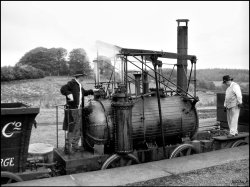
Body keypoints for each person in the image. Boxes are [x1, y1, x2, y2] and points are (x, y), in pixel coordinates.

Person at [60, 70, 96, 153]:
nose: (84, 77)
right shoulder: (72, 83)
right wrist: (69, 94)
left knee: (79, 129)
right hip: (73, 110)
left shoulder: (79, 85)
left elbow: (85, 93)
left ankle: (75, 146)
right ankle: (68, 148)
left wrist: (93, 90)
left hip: (79, 109)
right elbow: (63, 89)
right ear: (79, 76)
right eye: (83, 76)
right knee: (72, 129)